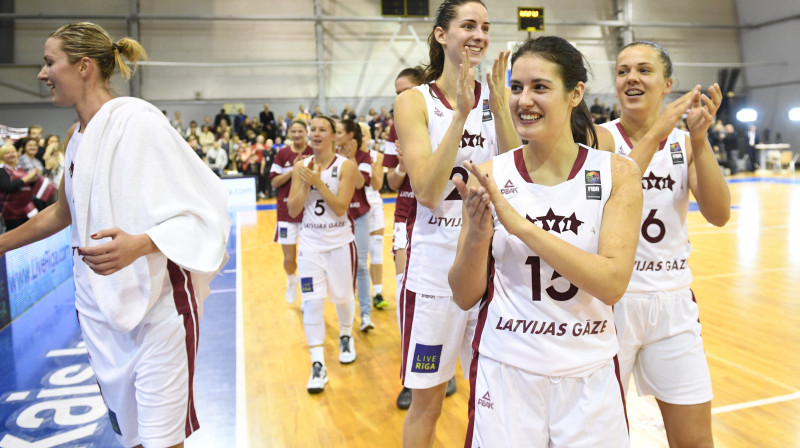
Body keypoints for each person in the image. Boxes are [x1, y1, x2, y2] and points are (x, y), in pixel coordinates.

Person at [0, 22, 230, 448]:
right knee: (135, 441)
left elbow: (205, 202)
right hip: (99, 310)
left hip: (160, 306)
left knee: (162, 442)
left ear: (84, 66)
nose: (41, 73)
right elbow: (60, 214)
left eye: (50, 62)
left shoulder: (139, 122)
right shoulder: (75, 138)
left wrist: (141, 244)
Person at [449, 35, 642, 448]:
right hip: (507, 369)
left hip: (589, 373)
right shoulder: (489, 174)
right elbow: (465, 296)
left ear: (575, 94)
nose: (524, 100)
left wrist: (523, 228)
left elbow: (612, 282)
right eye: (516, 88)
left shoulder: (617, 173)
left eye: (540, 87)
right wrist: (477, 238)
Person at [392, 1, 518, 445]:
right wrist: (462, 112)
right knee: (428, 400)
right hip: (433, 271)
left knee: (490, 395)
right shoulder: (413, 101)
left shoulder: (498, 96)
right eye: (468, 25)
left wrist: (499, 102)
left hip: (490, 266)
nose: (480, 34)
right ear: (442, 35)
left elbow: (515, 170)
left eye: (485, 27)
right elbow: (425, 190)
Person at [595, 40, 731, 448]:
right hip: (610, 305)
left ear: (667, 82)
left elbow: (719, 213)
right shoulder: (598, 140)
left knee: (695, 441)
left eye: (643, 70)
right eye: (622, 71)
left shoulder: (686, 143)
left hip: (672, 304)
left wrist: (701, 141)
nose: (631, 78)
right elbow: (613, 187)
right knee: (598, 438)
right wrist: (659, 131)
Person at [287, 115, 359, 393]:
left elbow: (341, 207)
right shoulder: (300, 167)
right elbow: (293, 210)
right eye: (312, 130)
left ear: (332, 136)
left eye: (322, 130)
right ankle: (317, 363)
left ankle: (345, 336)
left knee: (342, 297)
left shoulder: (346, 166)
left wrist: (318, 182)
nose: (316, 134)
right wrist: (306, 184)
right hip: (311, 246)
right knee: (313, 303)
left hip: (340, 243)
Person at [335, 119, 375, 332]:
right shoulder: (328, 156)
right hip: (337, 219)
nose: (336, 134)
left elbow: (360, 183)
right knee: (340, 269)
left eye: (340, 131)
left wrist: (350, 159)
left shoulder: (363, 157)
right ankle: (345, 320)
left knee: (360, 265)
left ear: (351, 135)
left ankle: (366, 314)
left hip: (359, 216)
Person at [270, 119, 314, 303]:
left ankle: (306, 295)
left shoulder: (313, 152)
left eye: (300, 131)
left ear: (306, 133)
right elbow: (274, 182)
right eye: (293, 131)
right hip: (286, 214)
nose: (297, 135)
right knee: (289, 259)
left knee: (308, 260)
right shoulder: (282, 154)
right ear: (289, 133)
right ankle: (291, 280)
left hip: (308, 214)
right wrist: (294, 168)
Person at [358, 122, 388, 311]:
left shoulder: (377, 156)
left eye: (364, 134)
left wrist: (371, 165)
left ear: (369, 137)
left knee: (376, 252)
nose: (361, 137)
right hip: (355, 209)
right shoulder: (346, 158)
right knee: (357, 255)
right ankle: (358, 290)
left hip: (374, 207)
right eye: (358, 133)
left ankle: (377, 293)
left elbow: (377, 185)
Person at [0, 144, 41, 231]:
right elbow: (8, 187)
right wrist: (27, 178)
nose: (11, 154)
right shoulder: (2, 170)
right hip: (11, 211)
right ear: (2, 156)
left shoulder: (20, 168)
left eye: (13, 152)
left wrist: (33, 179)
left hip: (26, 209)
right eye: (7, 153)